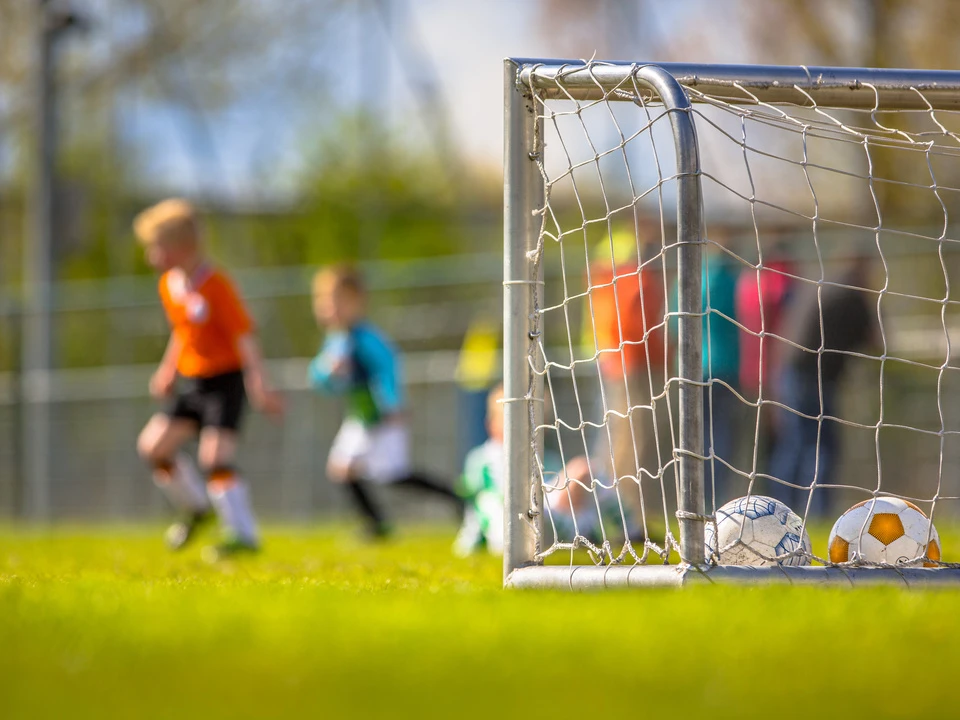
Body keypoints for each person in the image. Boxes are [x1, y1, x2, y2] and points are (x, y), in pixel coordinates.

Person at [134, 198, 283, 561]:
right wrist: (168, 370)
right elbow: (183, 332)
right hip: (193, 381)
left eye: (157, 247)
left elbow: (244, 335)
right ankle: (197, 509)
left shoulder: (216, 284)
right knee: (154, 447)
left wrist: (258, 382)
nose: (151, 257)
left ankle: (243, 535)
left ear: (180, 247)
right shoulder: (171, 285)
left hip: (225, 381)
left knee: (214, 457)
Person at [308, 265, 462, 538]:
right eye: (323, 302)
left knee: (393, 474)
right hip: (361, 417)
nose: (328, 309)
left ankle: (457, 499)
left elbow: (387, 367)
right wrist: (325, 373)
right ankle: (376, 524)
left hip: (384, 417)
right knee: (341, 469)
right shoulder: (335, 341)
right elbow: (322, 380)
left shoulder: (365, 338)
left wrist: (392, 405)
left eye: (335, 302)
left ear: (356, 302)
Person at [768, 256, 879, 517]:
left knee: (794, 444)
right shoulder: (853, 298)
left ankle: (779, 510)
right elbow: (877, 340)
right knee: (821, 447)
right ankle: (817, 511)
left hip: (791, 373)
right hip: (814, 379)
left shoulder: (822, 289)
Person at [584, 223, 666, 488]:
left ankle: (620, 495)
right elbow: (634, 321)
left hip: (622, 360)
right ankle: (618, 495)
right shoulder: (630, 276)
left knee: (624, 433)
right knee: (626, 434)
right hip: (630, 362)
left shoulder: (611, 276)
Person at [453, 384, 504, 556]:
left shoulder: (542, 457)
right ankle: (492, 540)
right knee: (488, 503)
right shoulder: (482, 456)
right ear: (491, 424)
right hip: (494, 506)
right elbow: (472, 487)